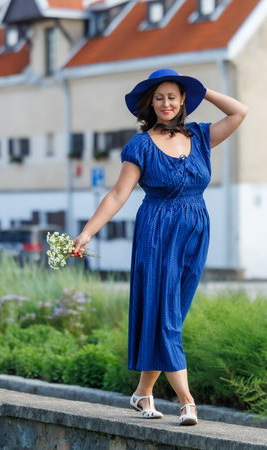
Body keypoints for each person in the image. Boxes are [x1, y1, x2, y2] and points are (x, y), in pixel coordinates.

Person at [73, 68, 248, 425]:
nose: (166, 103)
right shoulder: (140, 145)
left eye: (173, 96)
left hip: (195, 233)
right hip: (157, 233)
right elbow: (119, 194)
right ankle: (187, 402)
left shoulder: (200, 136)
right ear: (150, 104)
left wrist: (202, 89)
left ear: (183, 100)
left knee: (170, 314)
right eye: (159, 98)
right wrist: (88, 232)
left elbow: (239, 112)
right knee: (165, 315)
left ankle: (142, 392)